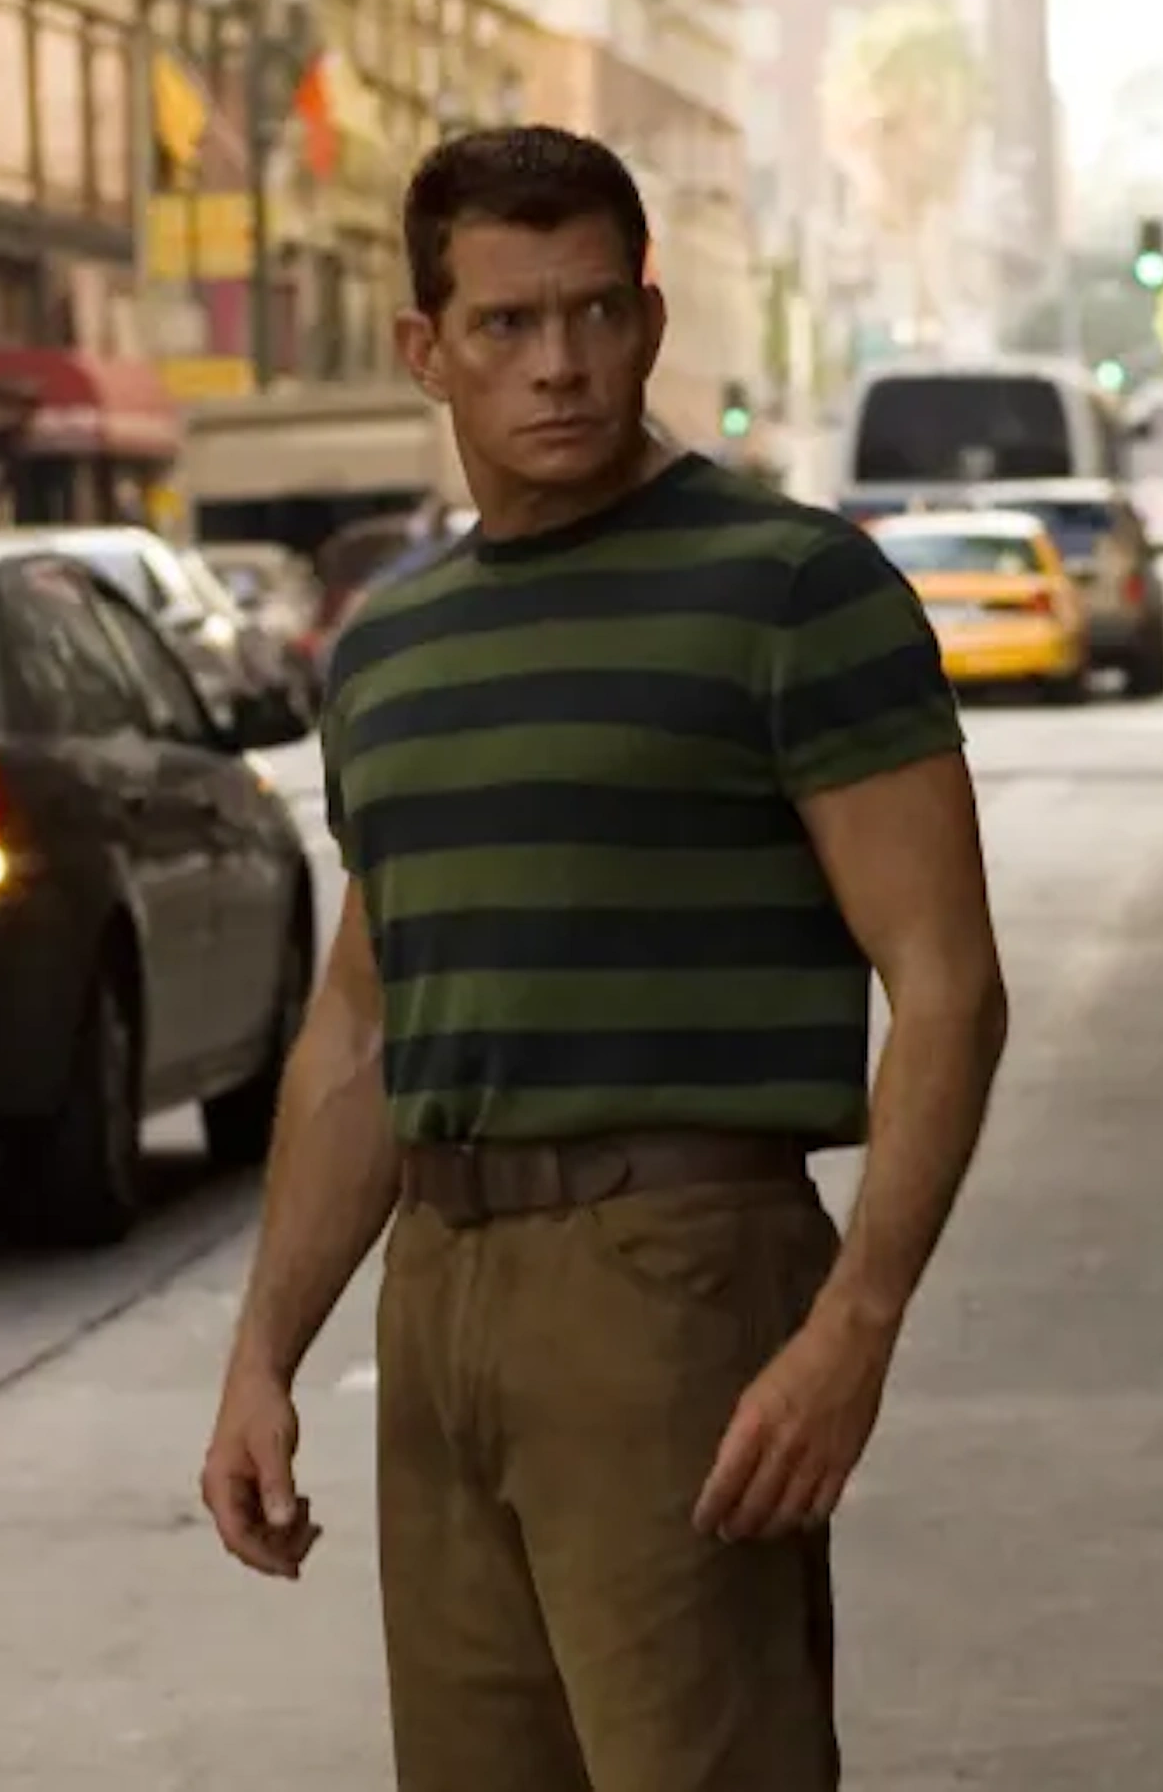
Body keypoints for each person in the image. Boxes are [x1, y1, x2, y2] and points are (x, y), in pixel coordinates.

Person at [197, 125, 1009, 1792]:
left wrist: (855, 1323)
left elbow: (947, 982)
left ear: (648, 321)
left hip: (678, 1274)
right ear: (425, 347)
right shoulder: (390, 648)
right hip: (440, 1291)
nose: (558, 363)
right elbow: (361, 1027)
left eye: (593, 312)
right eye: (505, 322)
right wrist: (265, 1353)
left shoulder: (793, 590)